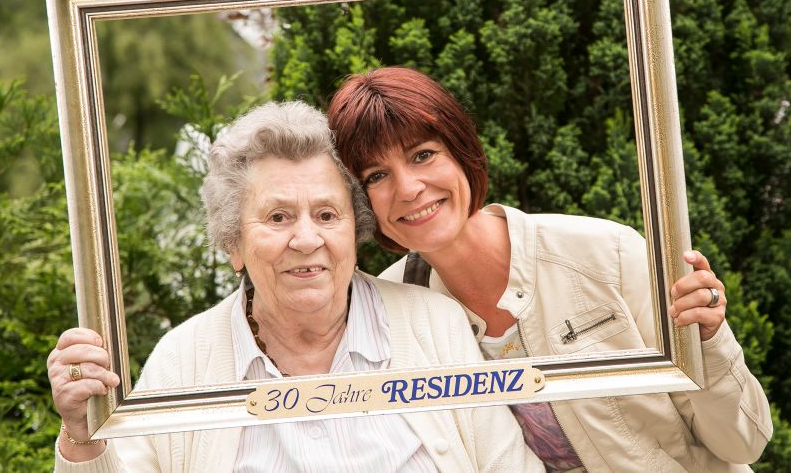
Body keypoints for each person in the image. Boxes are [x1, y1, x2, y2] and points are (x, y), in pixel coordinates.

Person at [47, 101, 543, 472]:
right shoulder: (184, 361)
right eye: (278, 217)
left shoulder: (433, 325)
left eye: (327, 215)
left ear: (355, 231)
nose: (307, 240)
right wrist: (83, 437)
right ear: (234, 244)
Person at [328, 66, 773, 472]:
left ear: (461, 150)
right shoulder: (387, 312)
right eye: (376, 175)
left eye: (423, 155)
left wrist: (709, 340)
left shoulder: (606, 254)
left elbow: (743, 442)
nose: (408, 188)